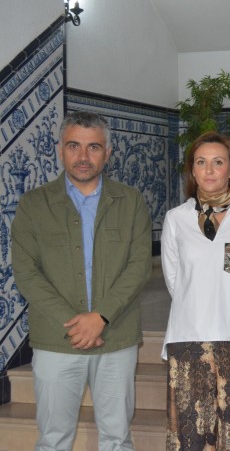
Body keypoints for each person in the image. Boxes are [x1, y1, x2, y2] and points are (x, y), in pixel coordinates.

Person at [11, 110, 152, 450]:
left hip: (115, 338)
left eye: (94, 147)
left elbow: (139, 267)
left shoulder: (131, 202)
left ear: (108, 153)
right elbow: (27, 273)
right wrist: (77, 324)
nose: (83, 156)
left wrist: (100, 317)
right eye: (74, 145)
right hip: (57, 339)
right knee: (53, 438)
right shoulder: (34, 204)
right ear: (60, 148)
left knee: (117, 438)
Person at [160, 132, 230, 450]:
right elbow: (174, 279)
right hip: (188, 338)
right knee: (189, 437)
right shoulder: (176, 220)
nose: (209, 170)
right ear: (192, 172)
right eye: (201, 162)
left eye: (218, 162)